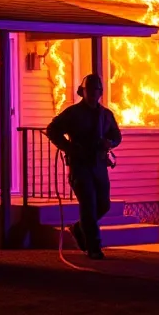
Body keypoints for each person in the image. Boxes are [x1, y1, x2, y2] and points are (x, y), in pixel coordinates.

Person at [46, 73, 122, 260]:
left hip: (99, 166)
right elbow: (52, 130)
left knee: (103, 205)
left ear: (100, 92)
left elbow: (117, 136)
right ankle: (93, 247)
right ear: (82, 91)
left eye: (97, 90)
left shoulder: (106, 115)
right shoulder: (73, 114)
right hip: (80, 167)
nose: (93, 93)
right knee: (88, 205)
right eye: (90, 90)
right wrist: (70, 148)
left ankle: (79, 228)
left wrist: (109, 143)